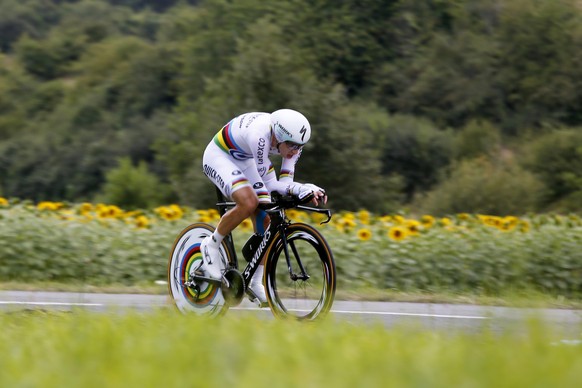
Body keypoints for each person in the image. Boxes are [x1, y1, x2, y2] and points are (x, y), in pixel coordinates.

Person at [200, 109, 327, 307]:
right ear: (278, 136)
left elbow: (285, 183)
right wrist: (300, 188)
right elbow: (270, 185)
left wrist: (306, 189)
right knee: (250, 202)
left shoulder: (291, 142)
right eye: (292, 146)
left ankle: (254, 281)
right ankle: (211, 244)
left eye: (300, 146)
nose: (295, 151)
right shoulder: (260, 136)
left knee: (267, 220)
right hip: (220, 156)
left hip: (244, 157)